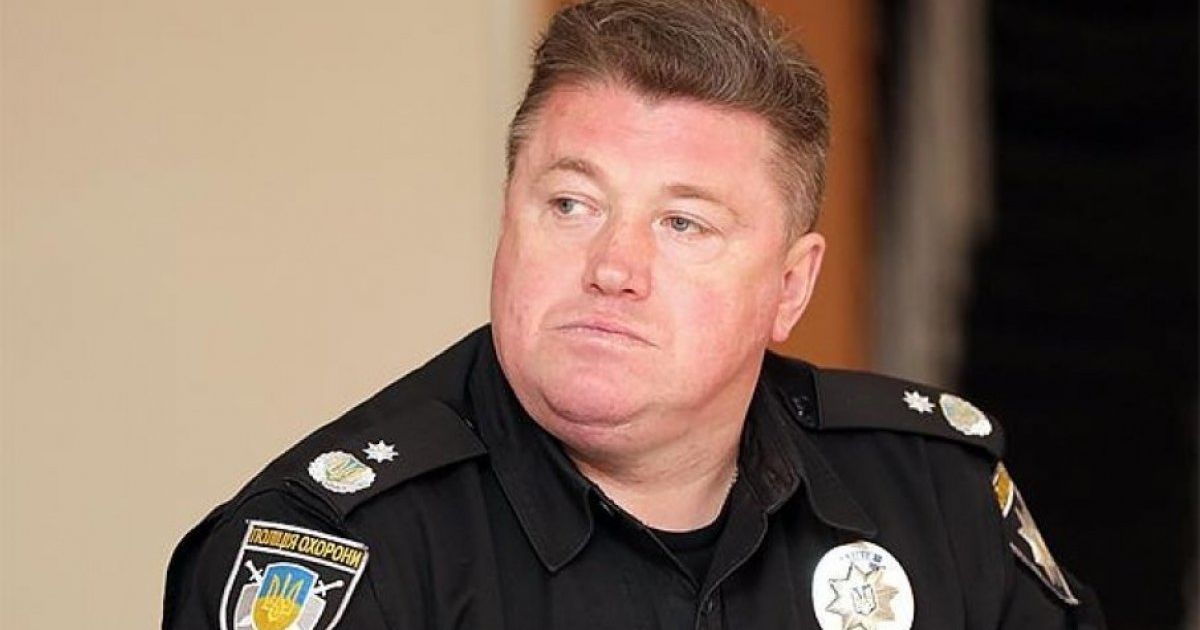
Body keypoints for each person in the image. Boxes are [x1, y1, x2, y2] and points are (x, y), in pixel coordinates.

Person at [162, 1, 1105, 628]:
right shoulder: (343, 555)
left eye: (683, 223)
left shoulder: (934, 497)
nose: (613, 268)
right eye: (571, 204)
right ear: (507, 218)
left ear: (791, 287)